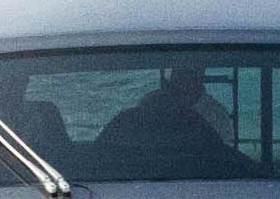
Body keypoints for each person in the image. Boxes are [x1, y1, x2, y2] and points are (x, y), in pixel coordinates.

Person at [91, 65, 244, 179]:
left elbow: (221, 159)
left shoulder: (215, 114)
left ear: (198, 81)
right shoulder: (146, 106)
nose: (182, 83)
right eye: (179, 78)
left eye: (188, 77)